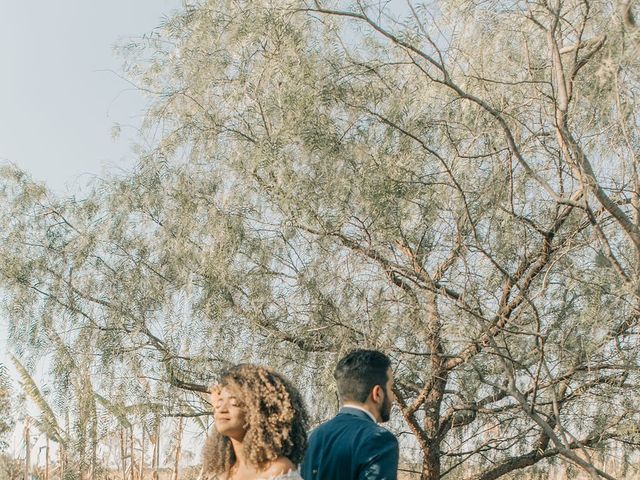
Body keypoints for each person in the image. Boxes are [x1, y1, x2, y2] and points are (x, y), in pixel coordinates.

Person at [301, 349, 399, 480]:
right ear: (377, 393)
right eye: (391, 388)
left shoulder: (313, 436)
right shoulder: (379, 439)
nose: (394, 397)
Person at [201, 364, 309, 480]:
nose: (222, 409)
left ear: (260, 411)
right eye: (219, 402)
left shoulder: (278, 471)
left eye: (234, 402)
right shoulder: (218, 473)